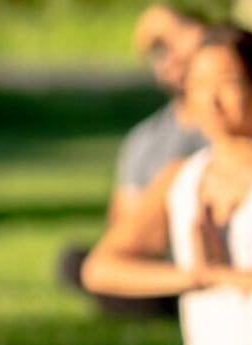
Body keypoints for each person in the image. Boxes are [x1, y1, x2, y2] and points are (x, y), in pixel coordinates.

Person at [41, 24, 252, 345]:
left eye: (228, 83)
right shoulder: (180, 177)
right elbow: (101, 270)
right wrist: (193, 276)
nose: (212, 99)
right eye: (199, 84)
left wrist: (225, 275)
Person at [58, 2, 208, 317]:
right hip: (163, 266)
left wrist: (164, 18)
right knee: (78, 262)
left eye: (178, 45)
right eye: (160, 52)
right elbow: (121, 232)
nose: (173, 60)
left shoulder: (235, 124)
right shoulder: (146, 139)